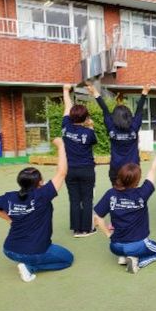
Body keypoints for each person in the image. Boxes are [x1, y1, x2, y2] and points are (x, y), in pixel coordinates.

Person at [0, 138, 73, 282]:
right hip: (34, 252)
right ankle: (31, 267)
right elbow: (62, 172)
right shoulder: (43, 195)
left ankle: (28, 263)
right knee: (67, 259)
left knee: (48, 253)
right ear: (40, 182)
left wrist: (9, 218)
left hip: (9, 250)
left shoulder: (9, 197)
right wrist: (61, 145)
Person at [93, 137, 156, 274]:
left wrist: (109, 235)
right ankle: (137, 262)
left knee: (125, 247)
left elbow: (97, 218)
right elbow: (153, 168)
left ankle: (123, 257)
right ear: (137, 180)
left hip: (115, 246)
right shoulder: (142, 193)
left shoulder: (111, 194)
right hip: (137, 245)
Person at [88, 83, 151, 185]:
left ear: (114, 117)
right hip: (133, 169)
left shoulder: (111, 127)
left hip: (116, 168)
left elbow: (105, 110)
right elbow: (139, 110)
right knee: (132, 194)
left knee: (116, 193)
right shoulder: (134, 126)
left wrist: (95, 93)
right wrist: (144, 93)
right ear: (129, 116)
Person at [62, 84, 98, 237]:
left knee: (74, 199)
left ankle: (77, 229)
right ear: (86, 118)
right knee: (87, 198)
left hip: (70, 170)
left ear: (71, 117)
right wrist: (90, 127)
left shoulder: (66, 127)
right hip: (87, 169)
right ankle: (87, 229)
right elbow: (93, 141)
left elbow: (67, 106)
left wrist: (65, 91)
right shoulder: (88, 133)